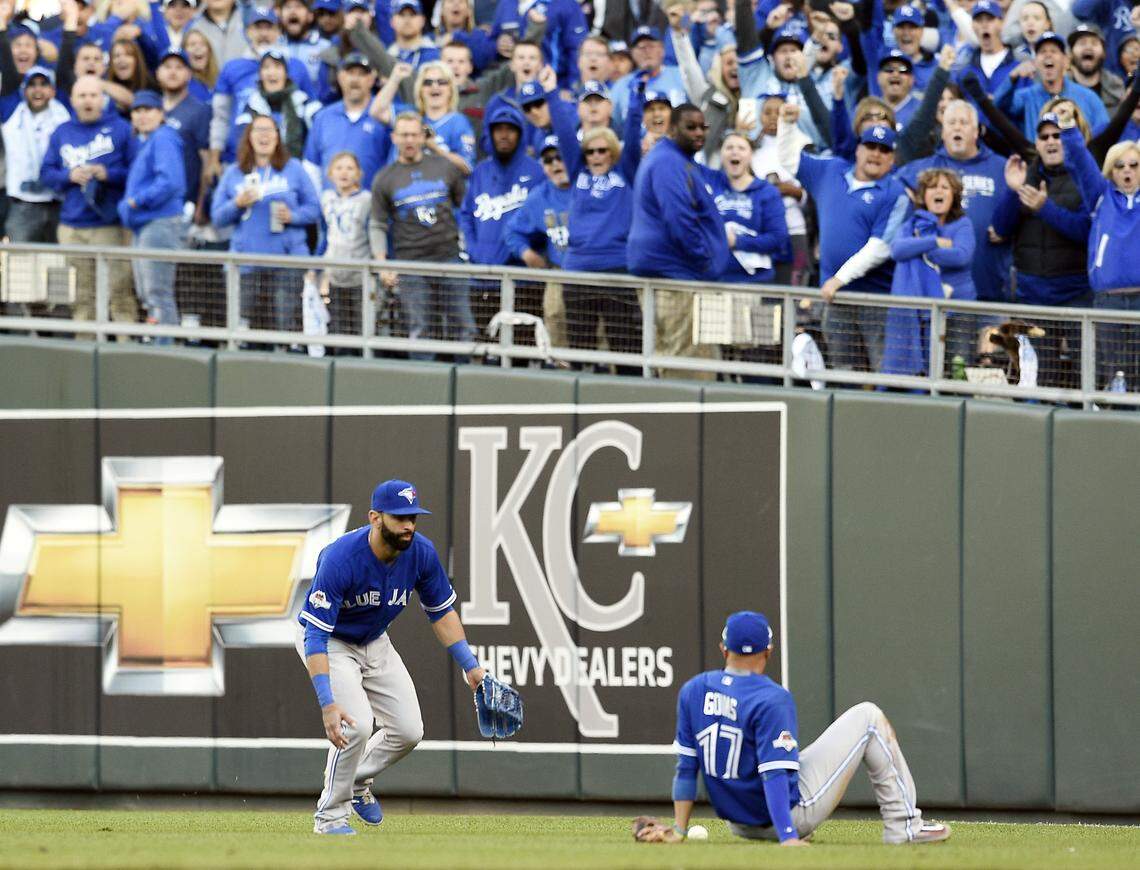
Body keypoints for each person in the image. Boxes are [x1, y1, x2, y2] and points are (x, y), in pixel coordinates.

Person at [660, 611, 951, 845]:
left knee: (779, 759)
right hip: (782, 821)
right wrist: (787, 836)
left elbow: (686, 767)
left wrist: (679, 830)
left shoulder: (693, 690)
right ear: (768, 652)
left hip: (738, 825)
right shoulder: (770, 697)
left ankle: (782, 830)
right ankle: (905, 826)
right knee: (869, 717)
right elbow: (773, 773)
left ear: (724, 650)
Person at [295, 479, 486, 835]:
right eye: (399, 517)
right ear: (374, 517)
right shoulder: (341, 558)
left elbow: (441, 613)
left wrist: (471, 667)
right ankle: (330, 816)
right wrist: (327, 703)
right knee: (357, 726)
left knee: (408, 730)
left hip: (373, 640)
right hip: (329, 641)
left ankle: (356, 782)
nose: (408, 525)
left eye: (412, 516)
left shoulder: (420, 553)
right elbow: (316, 634)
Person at [778, 103, 910, 374]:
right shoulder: (831, 170)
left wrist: (840, 278)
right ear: (858, 148)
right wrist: (787, 125)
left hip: (876, 300)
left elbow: (880, 247)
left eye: (884, 150)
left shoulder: (895, 193)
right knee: (842, 371)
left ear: (893, 159)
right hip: (835, 299)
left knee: (883, 372)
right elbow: (790, 160)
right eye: (870, 146)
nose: (876, 153)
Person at [628, 102, 730, 379]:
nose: (699, 133)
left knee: (672, 359)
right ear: (672, 129)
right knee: (685, 363)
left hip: (670, 274)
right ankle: (681, 422)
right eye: (690, 127)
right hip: (675, 277)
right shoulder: (667, 162)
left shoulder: (674, 159)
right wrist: (705, 262)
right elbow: (679, 219)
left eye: (703, 127)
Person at [551, 75, 645, 368]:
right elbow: (565, 133)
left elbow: (631, 131)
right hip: (578, 270)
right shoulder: (577, 173)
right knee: (581, 350)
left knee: (626, 348)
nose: (596, 156)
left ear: (613, 152)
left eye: (603, 150)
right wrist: (551, 92)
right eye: (590, 151)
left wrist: (637, 100)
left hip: (617, 268)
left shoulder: (626, 172)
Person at [991, 112, 1091, 388]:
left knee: (1087, 375)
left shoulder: (1085, 178)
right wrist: (1013, 190)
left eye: (1057, 135)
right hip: (1033, 295)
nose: (1051, 142)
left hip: (1076, 294)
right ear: (1036, 142)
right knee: (1039, 378)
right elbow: (1000, 228)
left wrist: (1045, 208)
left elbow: (1086, 231)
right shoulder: (1027, 175)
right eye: (1044, 136)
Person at [370, 112, 472, 357]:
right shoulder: (384, 178)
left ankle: (469, 386)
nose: (409, 140)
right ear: (394, 138)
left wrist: (468, 248)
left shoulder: (444, 166)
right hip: (410, 264)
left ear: (423, 136)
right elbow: (377, 225)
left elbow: (466, 208)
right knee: (420, 330)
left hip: (449, 257)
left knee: (464, 327)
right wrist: (382, 265)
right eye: (404, 135)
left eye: (414, 134)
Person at [211, 113, 321, 338]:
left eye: (269, 130)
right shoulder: (234, 172)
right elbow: (218, 217)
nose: (264, 135)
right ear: (248, 137)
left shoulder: (294, 169)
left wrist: (293, 215)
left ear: (278, 137)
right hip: (246, 263)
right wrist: (237, 204)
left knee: (284, 326)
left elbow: (314, 209)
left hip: (287, 263)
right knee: (245, 329)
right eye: (258, 130)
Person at [40, 74, 137, 325]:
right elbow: (46, 173)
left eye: (93, 95)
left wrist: (108, 174)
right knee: (82, 295)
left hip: (110, 224)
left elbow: (137, 172)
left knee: (119, 291)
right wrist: (69, 175)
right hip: (72, 226)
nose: (88, 101)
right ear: (72, 100)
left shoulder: (121, 129)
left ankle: (126, 347)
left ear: (103, 99)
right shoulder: (62, 132)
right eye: (82, 96)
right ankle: (84, 346)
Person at [899, 99, 1012, 307]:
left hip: (991, 289)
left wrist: (1008, 227)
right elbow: (893, 189)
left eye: (964, 122)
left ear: (977, 132)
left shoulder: (1002, 168)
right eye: (951, 123)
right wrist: (904, 193)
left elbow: (1019, 212)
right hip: (939, 292)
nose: (957, 127)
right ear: (942, 132)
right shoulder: (922, 170)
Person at [1059, 123, 1140, 389]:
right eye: (1120, 165)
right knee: (1114, 375)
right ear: (1110, 171)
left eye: (1134, 164)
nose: (1127, 170)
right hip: (1109, 303)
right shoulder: (1100, 196)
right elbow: (1082, 163)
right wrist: (1069, 130)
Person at [883, 168, 976, 376]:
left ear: (955, 195)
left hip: (957, 310)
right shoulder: (912, 224)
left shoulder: (963, 224)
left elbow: (961, 256)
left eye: (945, 187)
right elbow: (897, 250)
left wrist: (921, 250)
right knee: (927, 371)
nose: (938, 191)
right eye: (932, 187)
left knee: (956, 370)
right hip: (923, 312)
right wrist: (933, 242)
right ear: (923, 195)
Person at [119, 90, 187, 338]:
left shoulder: (163, 137)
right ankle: (160, 343)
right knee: (149, 293)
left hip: (159, 222)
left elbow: (171, 182)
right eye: (137, 110)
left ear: (161, 113)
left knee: (157, 293)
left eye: (148, 109)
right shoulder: (148, 141)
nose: (142, 115)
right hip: (146, 225)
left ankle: (165, 349)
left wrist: (137, 201)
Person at [702, 132, 790, 285]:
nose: (734, 151)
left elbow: (778, 238)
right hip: (714, 281)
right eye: (729, 147)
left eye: (741, 148)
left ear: (751, 155)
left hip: (754, 283)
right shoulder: (711, 180)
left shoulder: (767, 192)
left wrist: (736, 241)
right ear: (721, 154)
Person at [994, 31, 1109, 141]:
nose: (1048, 55)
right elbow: (997, 109)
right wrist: (1012, 78)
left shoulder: (1088, 97)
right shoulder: (1026, 97)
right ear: (1035, 62)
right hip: (1038, 159)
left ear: (1065, 60)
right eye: (1042, 52)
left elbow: (1105, 131)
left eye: (1054, 51)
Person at [2, 67, 70, 244]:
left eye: (43, 84)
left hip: (58, 202)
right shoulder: (12, 111)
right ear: (23, 91)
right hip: (23, 204)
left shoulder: (64, 114)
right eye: (32, 85)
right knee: (22, 265)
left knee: (59, 265)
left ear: (53, 90)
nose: (38, 90)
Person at [304, 52, 389, 191]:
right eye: (350, 73)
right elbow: (312, 167)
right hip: (332, 207)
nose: (355, 79)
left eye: (362, 74)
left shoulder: (384, 116)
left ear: (372, 79)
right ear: (340, 77)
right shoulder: (323, 117)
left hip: (374, 206)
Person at [318, 150, 371, 344]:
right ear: (330, 173)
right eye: (339, 168)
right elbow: (325, 235)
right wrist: (315, 268)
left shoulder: (367, 200)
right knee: (338, 327)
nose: (344, 173)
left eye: (350, 168)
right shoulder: (326, 199)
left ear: (358, 173)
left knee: (361, 327)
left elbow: (374, 235)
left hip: (359, 275)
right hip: (334, 275)